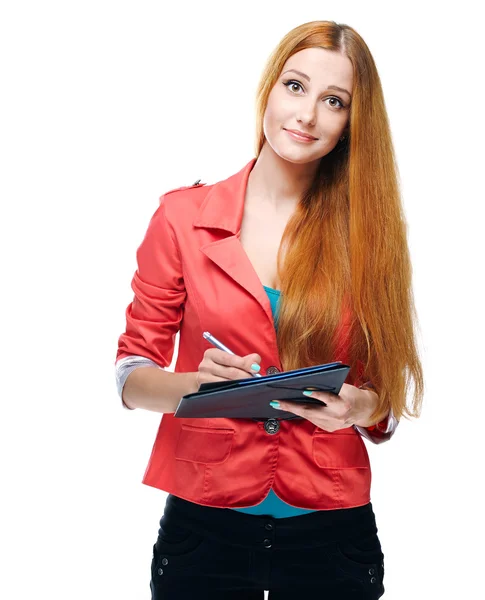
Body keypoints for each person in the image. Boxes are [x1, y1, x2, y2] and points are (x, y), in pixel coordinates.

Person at [115, 19, 424, 599]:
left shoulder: (370, 235)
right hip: (204, 526)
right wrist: (191, 386)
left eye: (334, 101)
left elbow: (385, 400)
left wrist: (361, 406)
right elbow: (132, 373)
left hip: (332, 534)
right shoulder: (182, 217)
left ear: (352, 125)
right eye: (295, 86)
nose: (307, 115)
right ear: (270, 89)